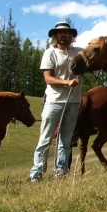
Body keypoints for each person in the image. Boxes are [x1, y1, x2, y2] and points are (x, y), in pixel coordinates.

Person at [29, 22, 83, 182]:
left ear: (71, 35)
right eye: (60, 33)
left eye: (67, 32)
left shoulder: (78, 53)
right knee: (45, 139)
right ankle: (36, 173)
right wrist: (67, 83)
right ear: (55, 36)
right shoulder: (50, 53)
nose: (64, 35)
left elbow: (92, 56)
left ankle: (59, 173)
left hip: (73, 102)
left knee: (66, 141)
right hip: (54, 101)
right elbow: (48, 78)